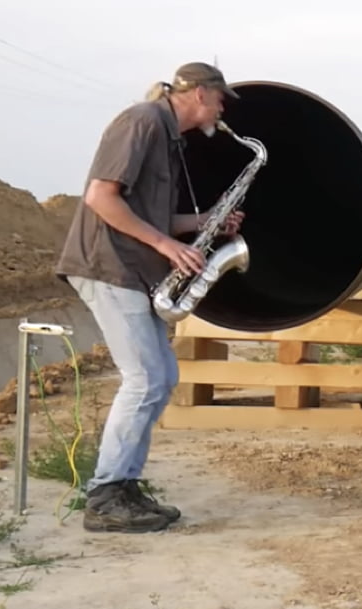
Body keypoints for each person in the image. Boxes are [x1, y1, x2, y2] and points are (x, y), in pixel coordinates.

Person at [55, 61, 245, 533]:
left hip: (134, 272)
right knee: (143, 379)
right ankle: (105, 496)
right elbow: (101, 197)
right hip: (109, 266)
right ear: (200, 94)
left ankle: (124, 486)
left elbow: (152, 214)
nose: (222, 109)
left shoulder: (169, 138)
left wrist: (206, 224)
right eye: (221, 99)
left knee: (161, 376)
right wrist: (166, 245)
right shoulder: (141, 121)